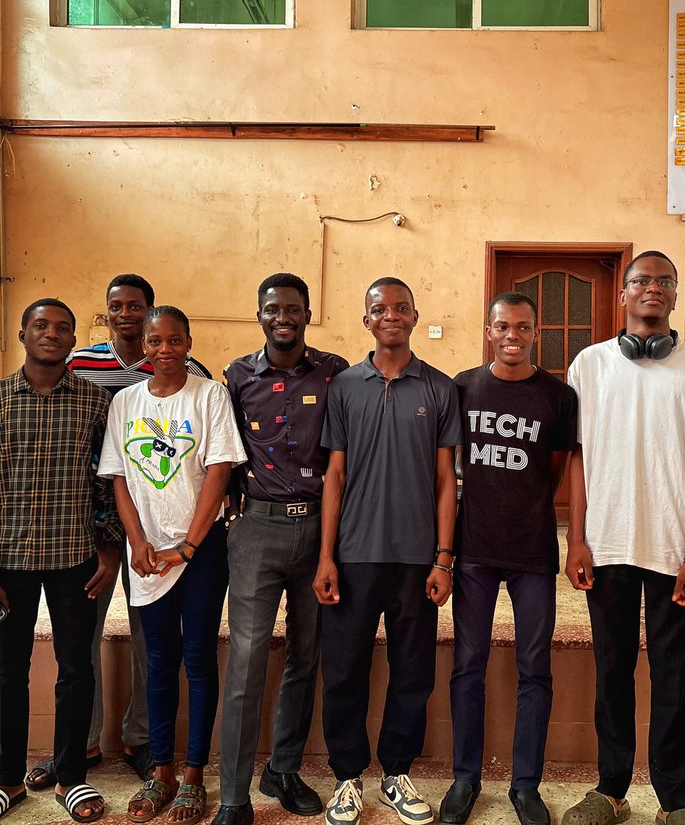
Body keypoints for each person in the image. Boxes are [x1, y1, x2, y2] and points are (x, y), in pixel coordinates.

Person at [562, 251, 685, 825]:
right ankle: (610, 789)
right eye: (640, 280)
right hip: (607, 544)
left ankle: (675, 800)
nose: (652, 288)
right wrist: (576, 539)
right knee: (611, 670)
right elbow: (577, 457)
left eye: (664, 281)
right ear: (623, 294)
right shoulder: (589, 364)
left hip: (673, 548)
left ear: (676, 294)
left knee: (672, 674)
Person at [43, 273, 213, 788]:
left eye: (135, 306)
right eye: (116, 306)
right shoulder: (80, 364)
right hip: (90, 524)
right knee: (82, 635)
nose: (126, 315)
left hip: (157, 528)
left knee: (149, 638)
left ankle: (143, 740)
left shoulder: (190, 372)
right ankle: (81, 743)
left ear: (151, 310)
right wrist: (108, 536)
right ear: (106, 311)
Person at [0, 298, 120, 825]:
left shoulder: (96, 403)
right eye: (40, 325)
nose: (51, 334)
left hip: (76, 558)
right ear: (23, 334)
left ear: (74, 340)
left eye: (62, 328)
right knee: (9, 671)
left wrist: (109, 545)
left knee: (76, 668)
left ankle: (71, 776)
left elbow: (107, 482)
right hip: (8, 563)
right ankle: (6, 779)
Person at [314, 277, 461, 825]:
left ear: (415, 316)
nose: (391, 316)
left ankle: (396, 773)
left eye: (401, 308)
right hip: (354, 555)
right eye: (380, 309)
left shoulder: (439, 388)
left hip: (417, 558)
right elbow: (334, 475)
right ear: (367, 320)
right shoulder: (344, 387)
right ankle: (347, 777)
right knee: (344, 670)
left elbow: (446, 480)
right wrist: (326, 556)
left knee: (413, 672)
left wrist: (444, 557)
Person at [98, 306, 246, 824]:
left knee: (198, 658)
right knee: (158, 660)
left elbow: (219, 472)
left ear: (189, 343)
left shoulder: (210, 396)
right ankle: (161, 770)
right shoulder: (125, 402)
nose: (165, 349)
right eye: (155, 341)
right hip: (146, 555)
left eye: (175, 340)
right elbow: (119, 477)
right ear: (143, 345)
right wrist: (137, 540)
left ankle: (194, 775)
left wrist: (187, 546)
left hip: (200, 552)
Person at [441, 293, 578, 825]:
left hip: (532, 549)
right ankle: (465, 779)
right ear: (489, 331)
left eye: (522, 327)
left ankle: (525, 786)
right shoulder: (463, 387)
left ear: (535, 332)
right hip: (474, 549)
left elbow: (556, 470)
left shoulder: (558, 396)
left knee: (534, 669)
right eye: (502, 326)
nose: (512, 335)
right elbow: (449, 466)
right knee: (467, 665)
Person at [216, 273, 348, 825]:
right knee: (246, 660)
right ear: (260, 315)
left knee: (305, 655)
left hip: (319, 529)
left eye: (292, 309)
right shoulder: (236, 376)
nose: (283, 317)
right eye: (272, 309)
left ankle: (284, 770)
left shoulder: (335, 372)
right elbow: (224, 449)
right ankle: (234, 795)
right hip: (257, 530)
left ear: (307, 314)